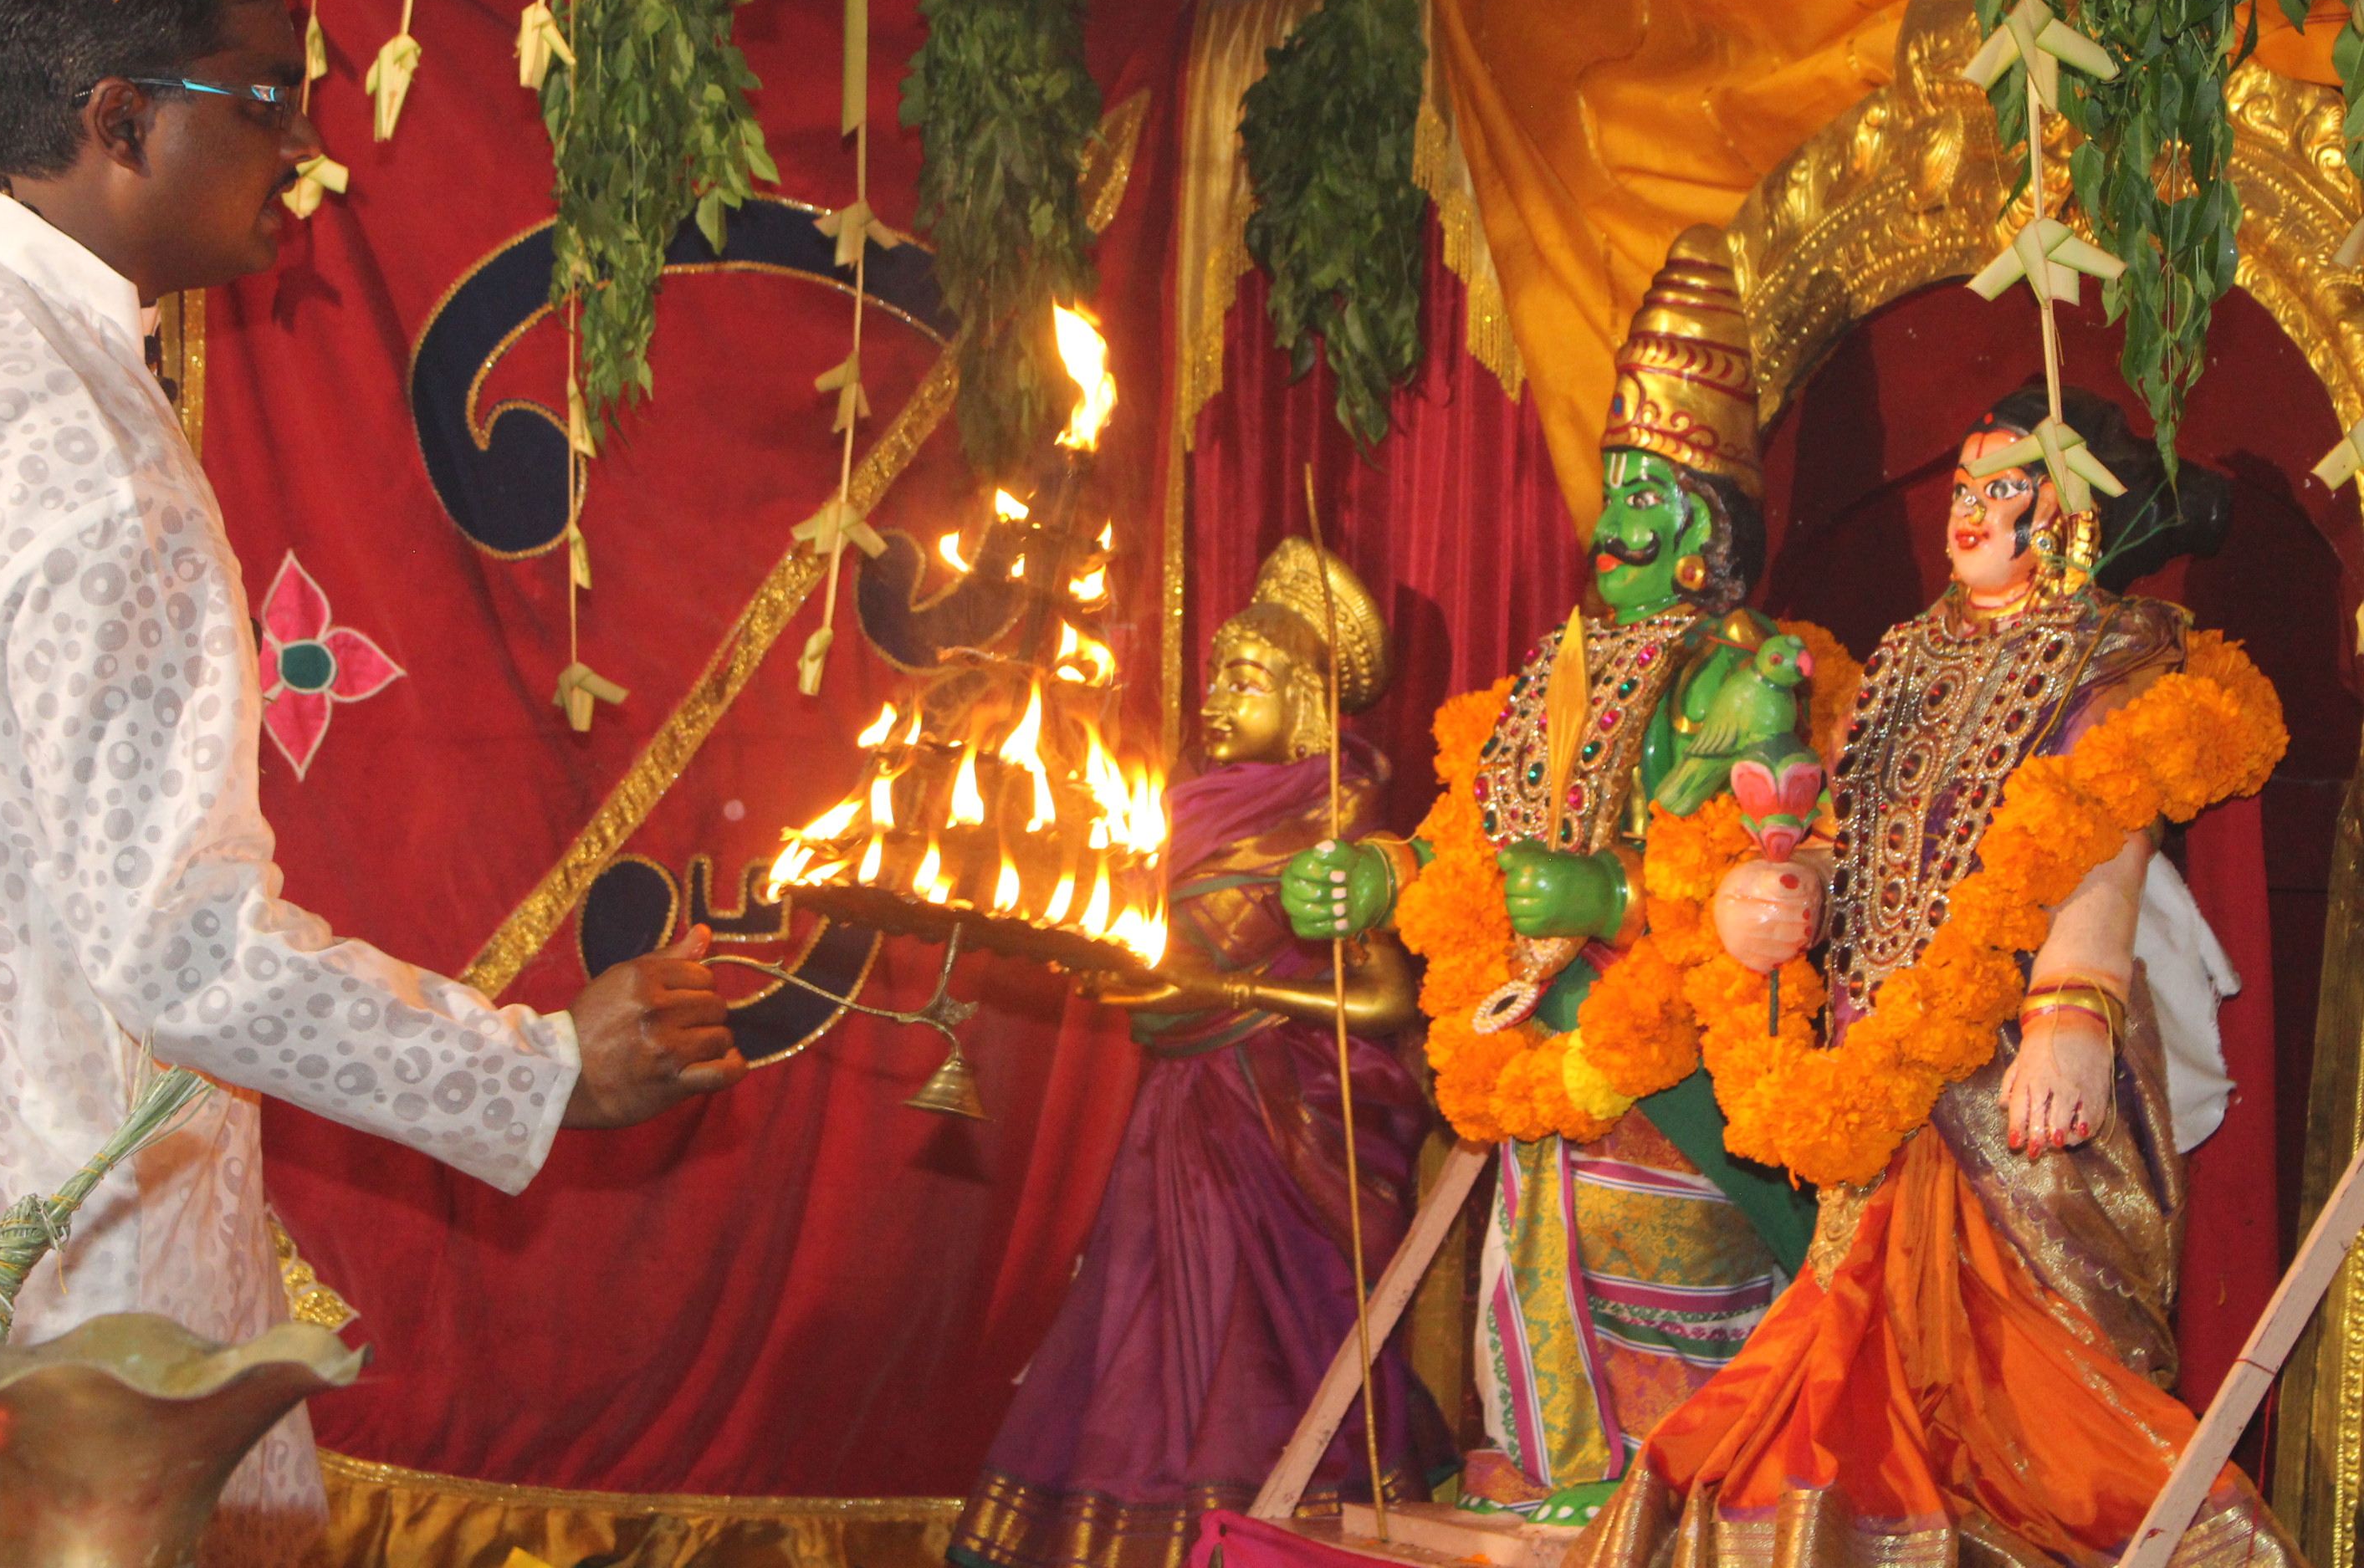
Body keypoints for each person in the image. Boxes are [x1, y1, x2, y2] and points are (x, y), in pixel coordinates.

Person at [0, 0, 747, 1568]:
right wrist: (536, 1073)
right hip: (37, 1328)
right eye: (267, 104)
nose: (304, 154)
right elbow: (183, 954)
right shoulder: (80, 443)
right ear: (119, 118)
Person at [1570, 386, 2295, 1568]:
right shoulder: (1905, 656)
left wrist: (2072, 1008)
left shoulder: (2118, 654)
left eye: (2004, 488)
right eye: (1963, 486)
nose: (1970, 510)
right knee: (1847, 1356)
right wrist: (1774, 895)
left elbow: (2103, 843)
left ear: (2067, 510)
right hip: (1879, 1057)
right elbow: (1838, 826)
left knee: (2036, 1380)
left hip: (2020, 1049)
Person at [1321, 243, 1819, 1525]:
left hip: (1679, 1087)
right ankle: (1565, 1479)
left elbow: (1770, 882)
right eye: (1615, 486)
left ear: (1710, 524)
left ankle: (1668, 1506)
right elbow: (1466, 844)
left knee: (1659, 1288)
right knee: (1528, 1287)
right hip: (1544, 1071)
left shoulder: (1750, 682)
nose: (1616, 522)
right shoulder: (1549, 677)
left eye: (1651, 491)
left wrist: (1608, 904)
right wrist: (1379, 875)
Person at [947, 539, 1456, 1568]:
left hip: (1287, 1126)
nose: (1218, 699)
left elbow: (1391, 996)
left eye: (1249, 681)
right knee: (1141, 1334)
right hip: (1177, 1110)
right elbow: (1151, 947)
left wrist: (1228, 994)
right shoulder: (1175, 808)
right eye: (1216, 675)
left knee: (1253, 1356)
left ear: (1308, 701)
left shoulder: (1341, 815)